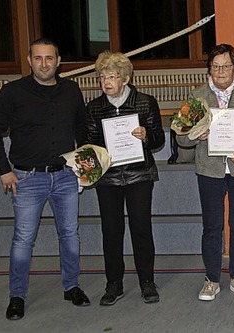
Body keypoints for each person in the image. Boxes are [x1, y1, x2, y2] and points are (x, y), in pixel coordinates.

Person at [0, 38, 89, 320]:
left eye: (49, 58)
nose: (44, 64)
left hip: (65, 177)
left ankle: (72, 286)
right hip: (26, 179)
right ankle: (17, 295)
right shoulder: (12, 92)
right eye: (38, 58)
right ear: (29, 61)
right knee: (23, 239)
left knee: (70, 235)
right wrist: (4, 169)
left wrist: (85, 163)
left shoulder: (71, 91)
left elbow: (82, 127)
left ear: (58, 61)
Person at [176, 44, 234, 301]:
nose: (221, 71)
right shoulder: (197, 95)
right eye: (216, 66)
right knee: (211, 226)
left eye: (226, 65)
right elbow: (183, 138)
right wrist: (196, 135)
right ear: (209, 69)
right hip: (209, 170)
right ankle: (212, 278)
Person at [81, 51, 165, 305]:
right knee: (111, 231)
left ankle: (147, 282)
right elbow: (88, 143)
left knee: (141, 228)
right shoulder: (94, 107)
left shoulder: (145, 103)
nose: (106, 82)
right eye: (102, 77)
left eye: (112, 77)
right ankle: (113, 283)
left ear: (126, 79)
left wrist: (145, 136)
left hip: (139, 175)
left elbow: (159, 139)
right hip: (108, 178)